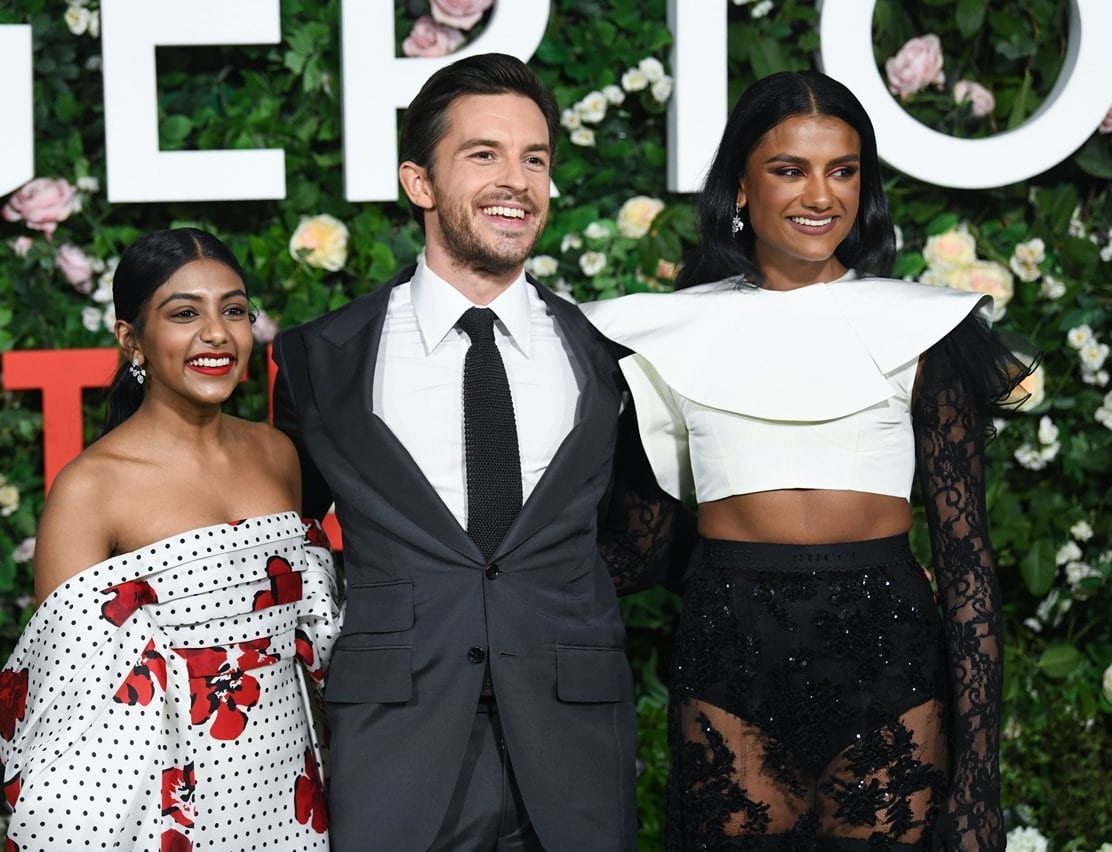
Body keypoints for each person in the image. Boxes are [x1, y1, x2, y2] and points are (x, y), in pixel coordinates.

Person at [582, 71, 1030, 851]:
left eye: (843, 170)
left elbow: (967, 570)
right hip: (729, 657)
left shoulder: (924, 330)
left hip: (888, 657)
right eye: (790, 169)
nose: (820, 194)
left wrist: (980, 785)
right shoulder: (669, 335)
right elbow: (644, 548)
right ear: (742, 189)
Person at [272, 53, 637, 852]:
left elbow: (628, 530)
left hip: (573, 746)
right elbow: (286, 546)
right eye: (484, 154)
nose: (517, 180)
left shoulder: (609, 353)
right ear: (419, 183)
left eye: (534, 159)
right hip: (397, 746)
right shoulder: (321, 359)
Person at [0, 228, 338, 851]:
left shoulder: (278, 454)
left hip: (292, 792)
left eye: (233, 310)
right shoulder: (91, 489)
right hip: (162, 810)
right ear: (132, 340)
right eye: (184, 314)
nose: (216, 334)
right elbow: (70, 714)